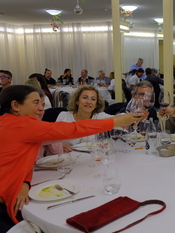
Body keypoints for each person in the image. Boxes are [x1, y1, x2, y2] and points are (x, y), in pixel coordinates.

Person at [0, 85, 143, 231]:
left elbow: (21, 160)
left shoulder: (7, 122)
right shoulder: (23, 125)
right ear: (15, 105)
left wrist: (25, 181)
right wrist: (116, 121)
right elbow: (73, 129)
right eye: (35, 103)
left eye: (42, 104)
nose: (42, 108)